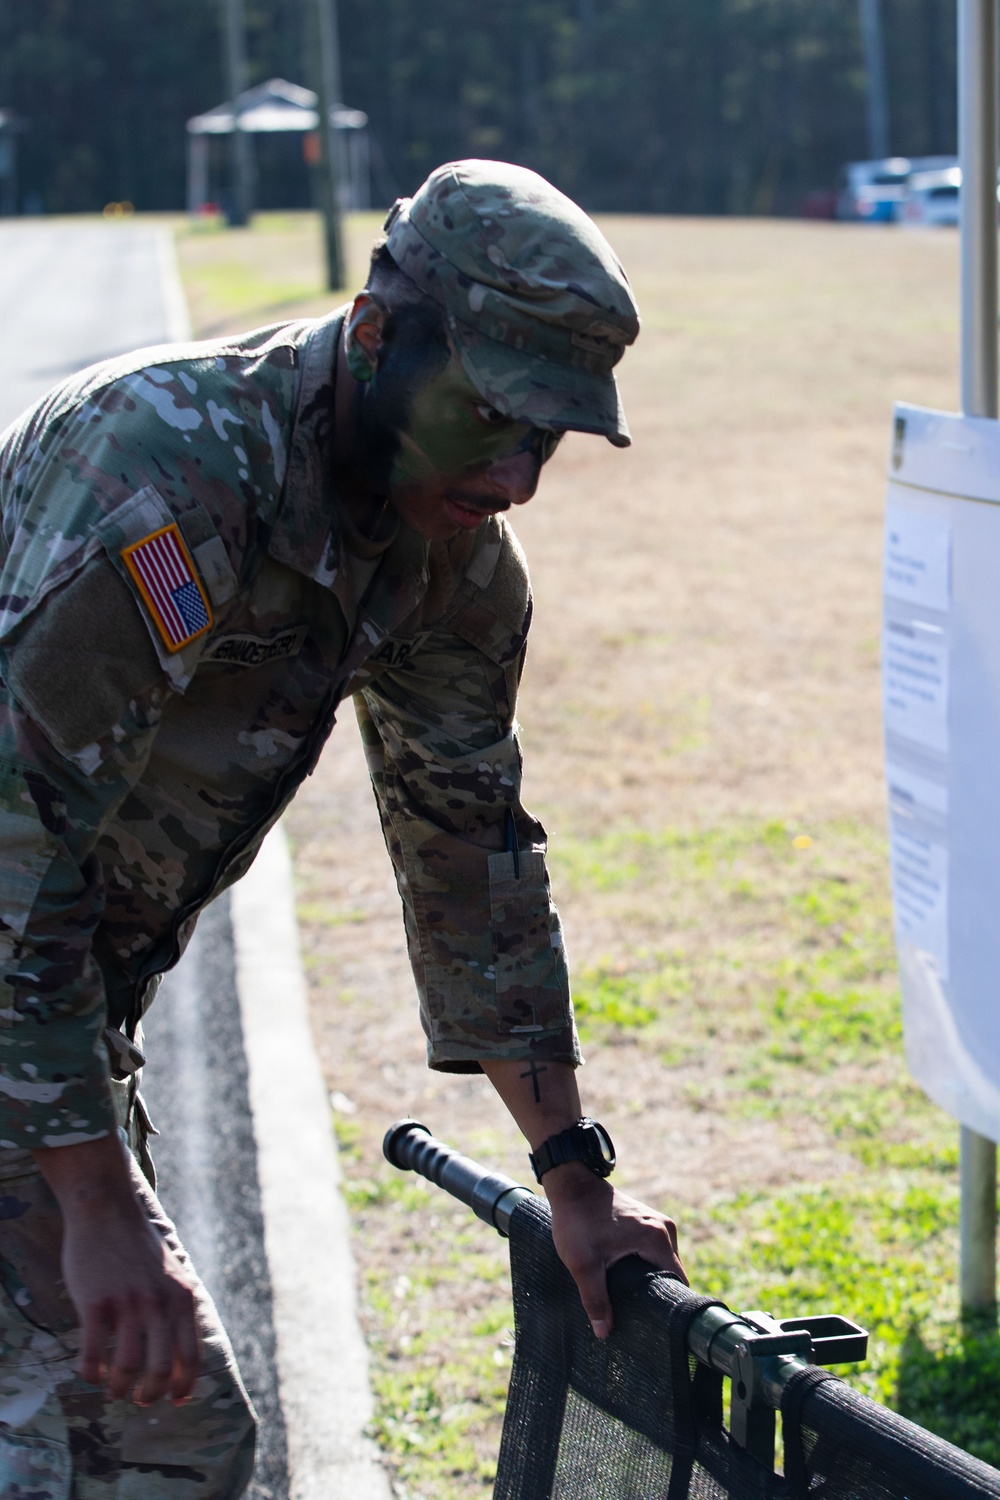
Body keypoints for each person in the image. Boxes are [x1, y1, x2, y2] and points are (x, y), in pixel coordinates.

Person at [0, 159, 686, 1494]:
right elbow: (12, 846)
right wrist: (93, 1204)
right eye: (487, 412)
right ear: (378, 339)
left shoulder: (456, 565)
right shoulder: (171, 478)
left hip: (58, 1005)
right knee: (145, 1439)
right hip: (22, 968)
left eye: (545, 434)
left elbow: (471, 863)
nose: (516, 474)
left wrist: (575, 1184)